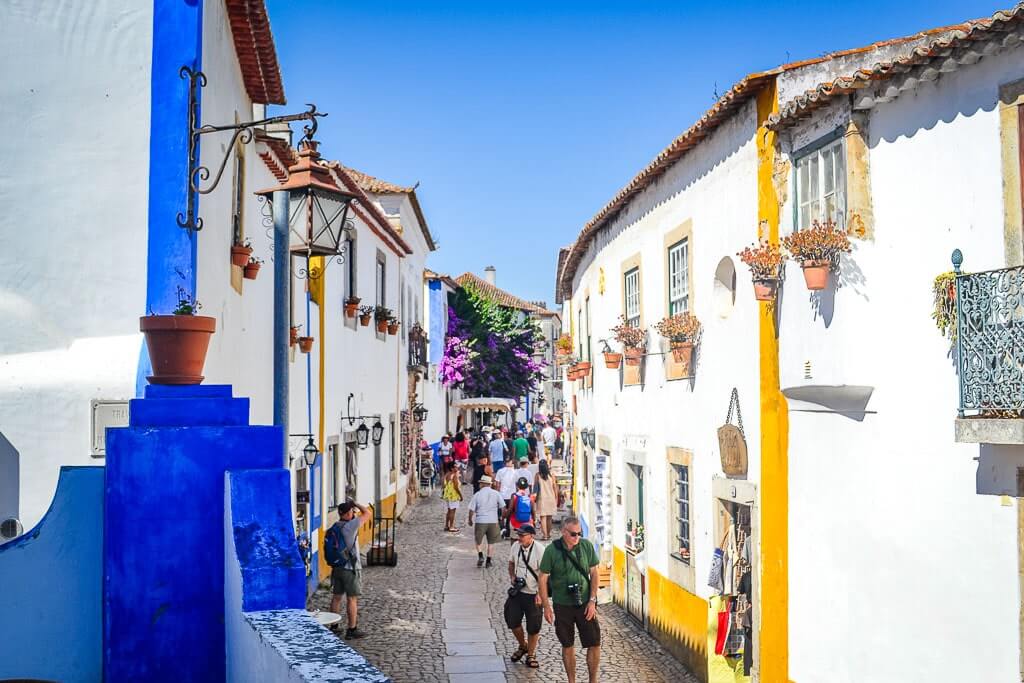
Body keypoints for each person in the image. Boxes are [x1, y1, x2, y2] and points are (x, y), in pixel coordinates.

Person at [538, 517, 601, 683]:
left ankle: (593, 681)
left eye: (579, 533)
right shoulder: (552, 550)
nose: (577, 537)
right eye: (573, 534)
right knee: (567, 644)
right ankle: (571, 681)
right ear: (563, 532)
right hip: (562, 605)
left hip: (585, 603)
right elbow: (542, 578)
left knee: (594, 642)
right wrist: (546, 606)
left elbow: (594, 573)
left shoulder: (586, 546)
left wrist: (592, 600)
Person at [326, 501, 374, 640]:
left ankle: (333, 627)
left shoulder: (336, 526)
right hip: (350, 568)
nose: (354, 513)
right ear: (348, 514)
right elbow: (368, 513)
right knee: (352, 599)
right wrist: (357, 504)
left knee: (336, 597)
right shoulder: (350, 526)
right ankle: (352, 629)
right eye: (352, 511)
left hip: (337, 567)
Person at [505, 523, 544, 669]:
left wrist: (541, 594)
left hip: (533, 594)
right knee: (512, 621)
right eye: (518, 535)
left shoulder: (540, 550)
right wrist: (512, 576)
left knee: (534, 627)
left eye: (522, 535)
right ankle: (523, 645)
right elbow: (510, 563)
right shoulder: (515, 546)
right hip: (518, 591)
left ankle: (531, 654)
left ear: (531, 536)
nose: (519, 537)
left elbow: (544, 574)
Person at [467, 474, 505, 568]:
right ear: (489, 484)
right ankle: (488, 561)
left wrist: (470, 519)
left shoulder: (477, 494)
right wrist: (502, 518)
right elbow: (503, 507)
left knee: (478, 540)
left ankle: (480, 555)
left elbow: (471, 509)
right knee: (491, 542)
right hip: (493, 520)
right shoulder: (496, 493)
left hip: (481, 520)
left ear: (482, 484)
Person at [534, 459, 560, 540]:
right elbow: (555, 487)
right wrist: (556, 498)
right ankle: (548, 534)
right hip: (551, 498)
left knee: (543, 518)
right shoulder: (552, 475)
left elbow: (535, 488)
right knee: (549, 518)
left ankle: (545, 535)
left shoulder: (537, 475)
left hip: (542, 498)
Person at [441, 461, 463, 532]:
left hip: (448, 495)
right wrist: (460, 495)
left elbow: (443, 485)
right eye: (455, 466)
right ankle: (451, 526)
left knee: (449, 511)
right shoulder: (454, 476)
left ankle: (446, 525)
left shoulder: (447, 474)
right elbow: (456, 487)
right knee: (453, 511)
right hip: (453, 495)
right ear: (452, 468)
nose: (457, 467)